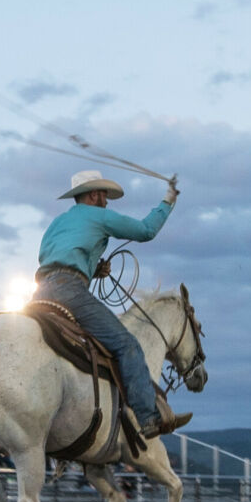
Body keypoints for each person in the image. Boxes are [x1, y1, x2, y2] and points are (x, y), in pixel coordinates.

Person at [34, 168, 189, 437]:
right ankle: (147, 416)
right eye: (104, 195)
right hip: (69, 290)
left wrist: (92, 269)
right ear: (94, 195)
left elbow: (52, 257)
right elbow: (145, 230)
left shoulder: (57, 223)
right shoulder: (100, 216)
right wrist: (168, 201)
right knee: (126, 344)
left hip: (39, 292)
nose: (106, 200)